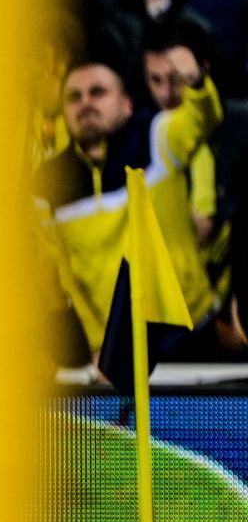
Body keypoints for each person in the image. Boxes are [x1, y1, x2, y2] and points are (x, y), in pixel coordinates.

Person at [35, 60, 223, 358]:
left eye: (97, 92)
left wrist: (197, 85)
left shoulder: (158, 136)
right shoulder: (46, 183)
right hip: (120, 351)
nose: (85, 103)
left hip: (192, 332)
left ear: (127, 104)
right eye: (74, 97)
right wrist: (98, 345)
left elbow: (203, 118)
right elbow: (64, 277)